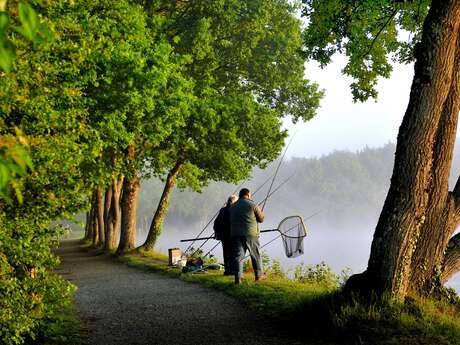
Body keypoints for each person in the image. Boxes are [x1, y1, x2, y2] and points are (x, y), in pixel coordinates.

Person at [230, 188, 266, 284]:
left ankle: (238, 278)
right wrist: (261, 212)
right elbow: (261, 219)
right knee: (255, 255)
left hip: (235, 234)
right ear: (248, 195)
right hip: (251, 234)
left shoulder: (232, 206)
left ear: (240, 195)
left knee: (238, 256)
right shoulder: (252, 204)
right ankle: (259, 276)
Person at [213, 195, 237, 275]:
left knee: (226, 253)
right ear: (233, 201)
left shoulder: (222, 210)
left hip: (223, 236)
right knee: (234, 253)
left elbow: (216, 223)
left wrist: (217, 234)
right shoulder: (234, 209)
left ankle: (227, 271)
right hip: (232, 235)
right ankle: (233, 271)